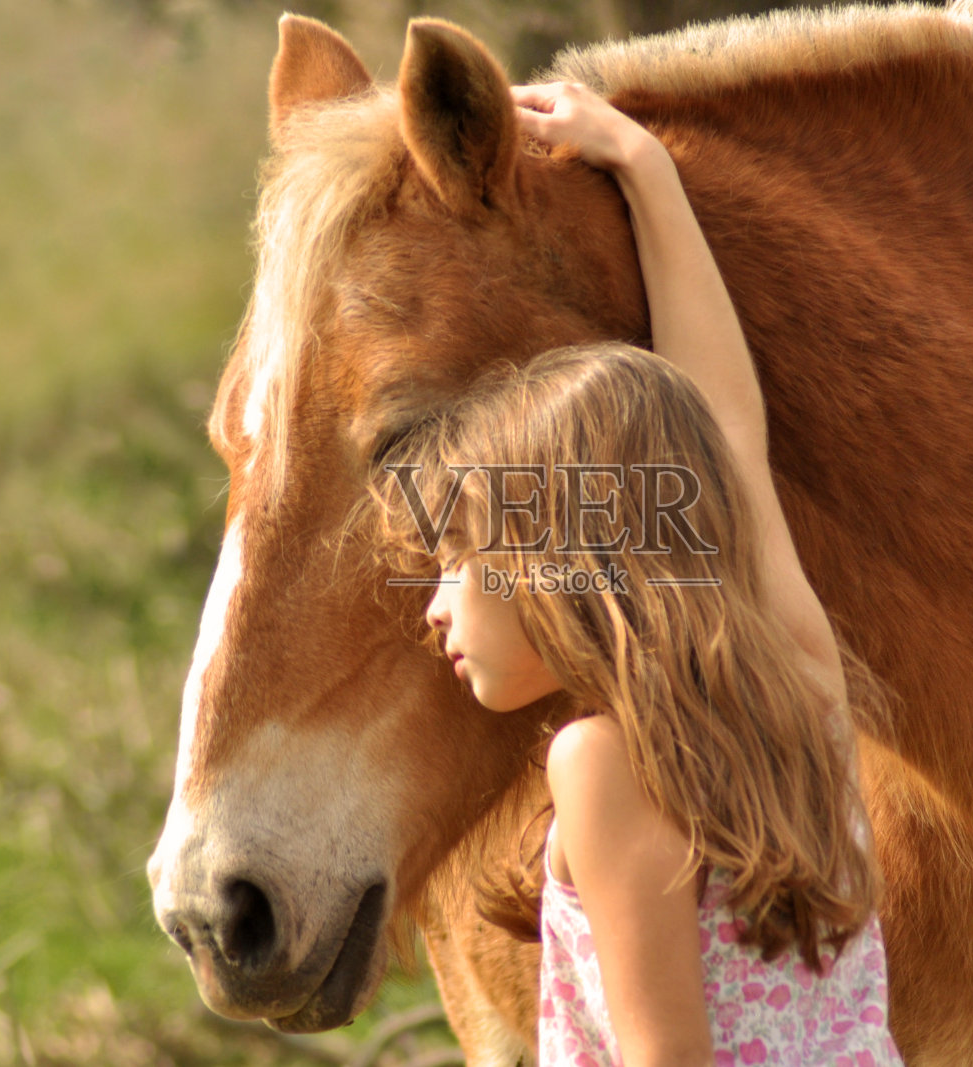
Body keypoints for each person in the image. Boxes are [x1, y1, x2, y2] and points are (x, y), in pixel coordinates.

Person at [364, 82, 902, 1067]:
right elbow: (728, 433)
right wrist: (644, 170)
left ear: (555, 563)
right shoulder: (799, 689)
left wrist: (645, 167)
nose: (435, 607)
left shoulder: (602, 762)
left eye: (459, 562)